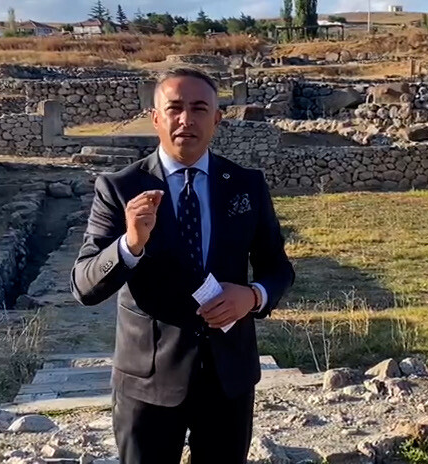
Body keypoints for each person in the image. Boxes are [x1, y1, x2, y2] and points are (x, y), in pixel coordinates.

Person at [70, 67, 295, 464]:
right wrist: (130, 244)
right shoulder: (120, 188)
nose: (186, 119)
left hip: (229, 378)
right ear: (155, 117)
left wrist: (252, 296)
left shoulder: (246, 185)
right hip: (148, 382)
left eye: (199, 108)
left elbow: (278, 268)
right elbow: (84, 286)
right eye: (174, 108)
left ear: (217, 118)